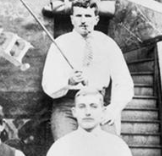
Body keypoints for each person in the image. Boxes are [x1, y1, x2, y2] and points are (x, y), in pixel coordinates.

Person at [42, 0, 133, 140]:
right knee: (66, 149)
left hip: (98, 103)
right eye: (78, 16)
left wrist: (112, 109)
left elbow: (124, 82)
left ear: (96, 19)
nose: (83, 21)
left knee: (110, 149)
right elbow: (48, 84)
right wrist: (68, 81)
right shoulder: (60, 44)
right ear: (72, 19)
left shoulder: (108, 44)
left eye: (88, 16)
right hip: (67, 105)